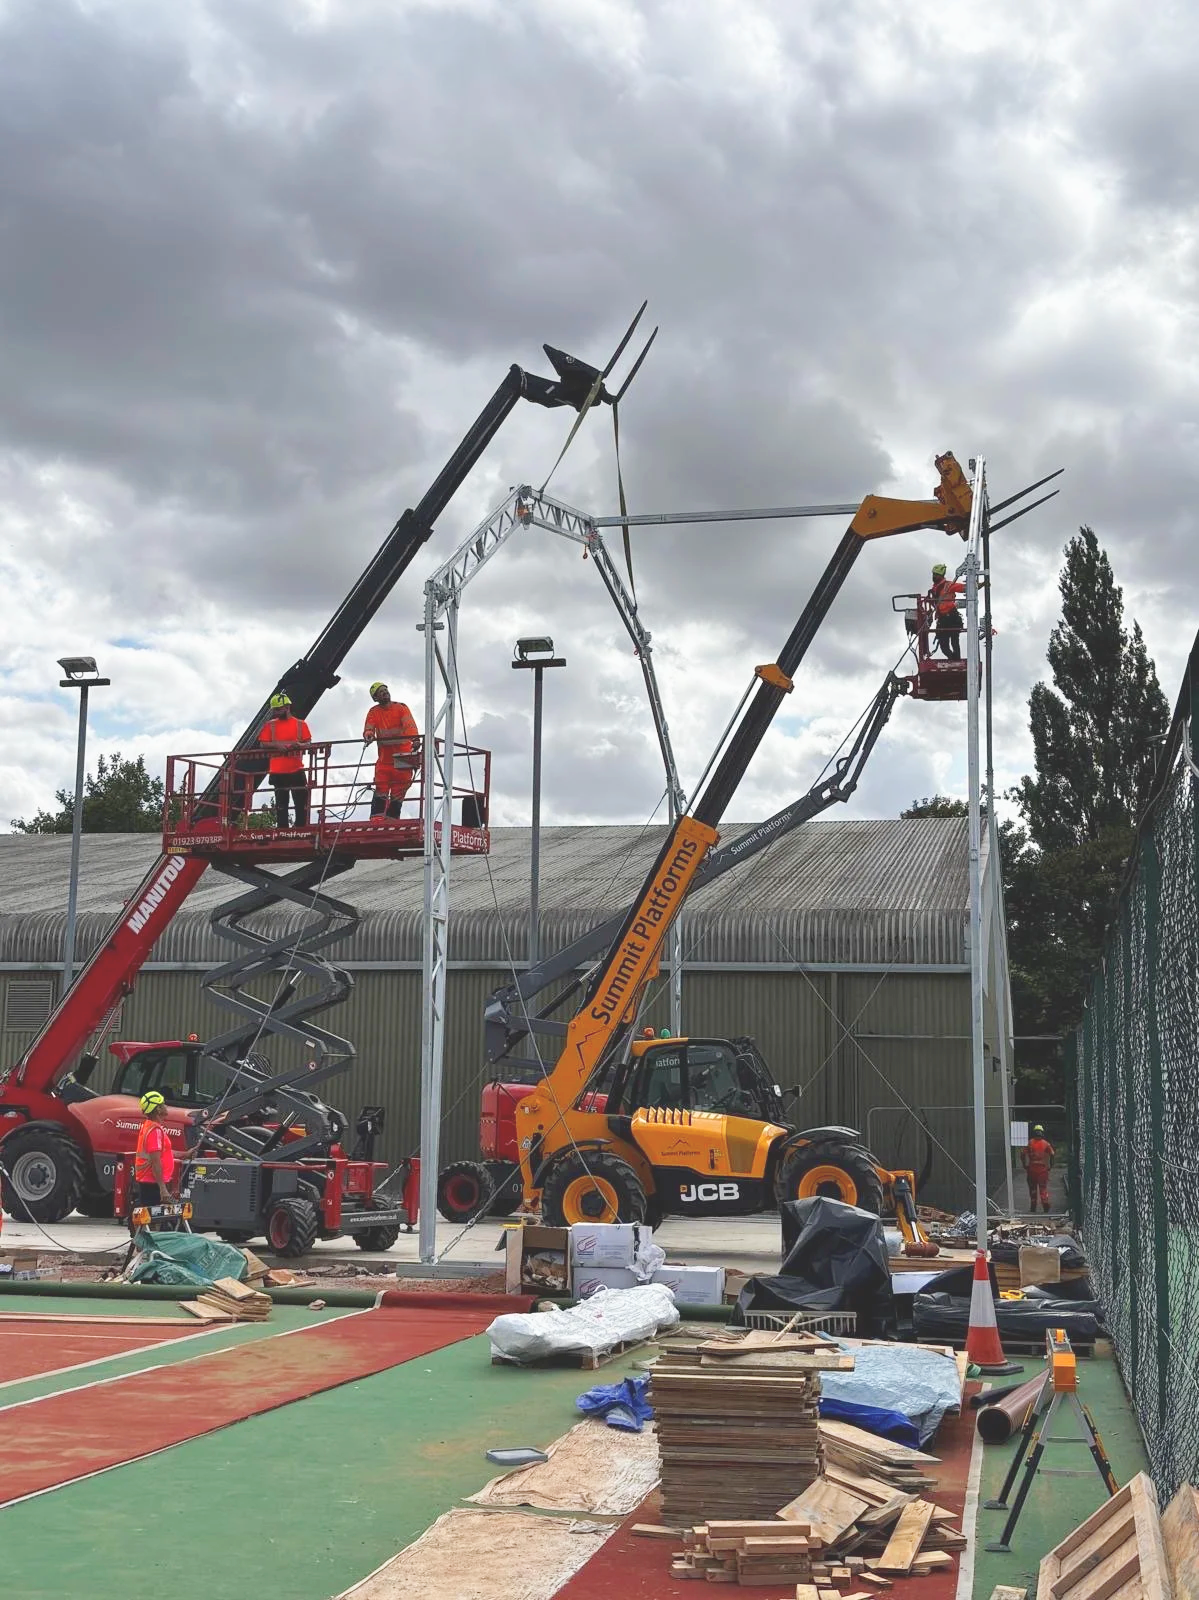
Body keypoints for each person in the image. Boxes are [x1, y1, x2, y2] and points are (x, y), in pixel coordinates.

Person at [363, 681, 419, 819]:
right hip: (385, 761)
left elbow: (409, 725)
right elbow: (369, 727)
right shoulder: (374, 712)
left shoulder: (401, 708)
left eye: (385, 690)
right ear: (376, 698)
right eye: (380, 692)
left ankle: (392, 821)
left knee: (398, 793)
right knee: (380, 789)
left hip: (402, 758)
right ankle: (376, 822)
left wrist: (416, 739)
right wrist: (369, 735)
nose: (384, 692)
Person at [259, 692, 311, 827]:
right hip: (277, 770)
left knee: (301, 802)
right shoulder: (270, 725)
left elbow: (308, 742)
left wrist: (299, 745)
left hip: (296, 768)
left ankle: (300, 828)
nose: (275, 712)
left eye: (278, 709)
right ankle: (282, 829)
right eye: (274, 709)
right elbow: (263, 744)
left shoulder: (301, 724)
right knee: (281, 804)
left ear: (287, 707)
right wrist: (277, 745)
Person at [132, 1091, 178, 1219]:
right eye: (163, 1104)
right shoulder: (154, 1130)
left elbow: (163, 1152)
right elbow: (156, 1161)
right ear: (158, 1109)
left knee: (153, 1219)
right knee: (153, 1220)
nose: (165, 1106)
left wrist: (185, 1154)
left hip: (150, 1181)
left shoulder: (150, 1126)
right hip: (152, 1182)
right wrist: (163, 1189)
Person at [929, 562, 966, 660]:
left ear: (940, 575)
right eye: (933, 574)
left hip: (952, 617)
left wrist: (977, 585)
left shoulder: (949, 585)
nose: (934, 576)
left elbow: (963, 588)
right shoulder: (934, 589)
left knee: (954, 642)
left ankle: (956, 659)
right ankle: (953, 659)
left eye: (936, 574)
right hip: (942, 619)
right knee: (944, 646)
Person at [1021, 1124, 1055, 1213]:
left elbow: (1022, 1154)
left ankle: (1033, 1207)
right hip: (1042, 1170)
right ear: (1042, 1133)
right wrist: (1051, 1165)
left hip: (1032, 1169)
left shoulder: (1030, 1142)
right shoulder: (1046, 1143)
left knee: (1032, 1189)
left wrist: (1024, 1165)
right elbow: (1052, 1154)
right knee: (1043, 1188)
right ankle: (1045, 1203)